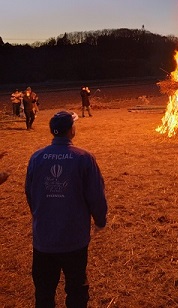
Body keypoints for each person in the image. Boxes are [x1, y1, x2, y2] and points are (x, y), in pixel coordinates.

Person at [25, 111, 107, 308]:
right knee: (77, 289)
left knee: (44, 292)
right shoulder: (83, 158)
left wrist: (40, 216)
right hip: (74, 239)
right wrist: (100, 220)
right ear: (71, 130)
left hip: (44, 239)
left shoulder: (37, 158)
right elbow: (96, 195)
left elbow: (30, 193)